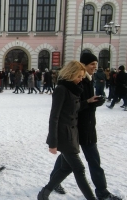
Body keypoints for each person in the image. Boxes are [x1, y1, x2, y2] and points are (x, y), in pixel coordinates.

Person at [50, 53, 121, 200]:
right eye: (92, 64)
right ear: (83, 66)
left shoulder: (88, 79)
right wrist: (88, 102)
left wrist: (93, 102)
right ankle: (53, 183)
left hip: (88, 127)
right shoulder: (74, 82)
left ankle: (102, 191)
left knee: (91, 160)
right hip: (75, 128)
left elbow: (82, 104)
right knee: (69, 160)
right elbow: (69, 108)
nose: (95, 66)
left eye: (95, 63)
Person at [38, 60, 97, 200]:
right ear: (71, 74)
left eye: (82, 76)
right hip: (64, 135)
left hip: (73, 134)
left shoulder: (73, 89)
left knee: (66, 168)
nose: (81, 79)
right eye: (79, 76)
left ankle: (44, 193)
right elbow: (54, 117)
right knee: (79, 169)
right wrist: (52, 142)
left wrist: (88, 102)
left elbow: (73, 109)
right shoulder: (61, 89)